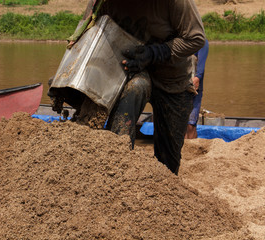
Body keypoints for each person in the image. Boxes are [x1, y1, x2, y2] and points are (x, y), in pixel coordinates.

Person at [63, 0, 206, 175]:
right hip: (126, 71)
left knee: (169, 158)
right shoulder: (102, 2)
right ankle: (118, 168)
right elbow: (87, 35)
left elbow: (195, 38)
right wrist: (66, 77)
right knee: (133, 92)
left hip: (172, 77)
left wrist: (155, 52)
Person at [185, 39, 209, 139]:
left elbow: (201, 65)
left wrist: (198, 77)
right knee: (181, 125)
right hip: (180, 87)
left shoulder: (201, 42)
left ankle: (191, 148)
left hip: (194, 87)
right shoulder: (179, 41)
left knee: (190, 125)